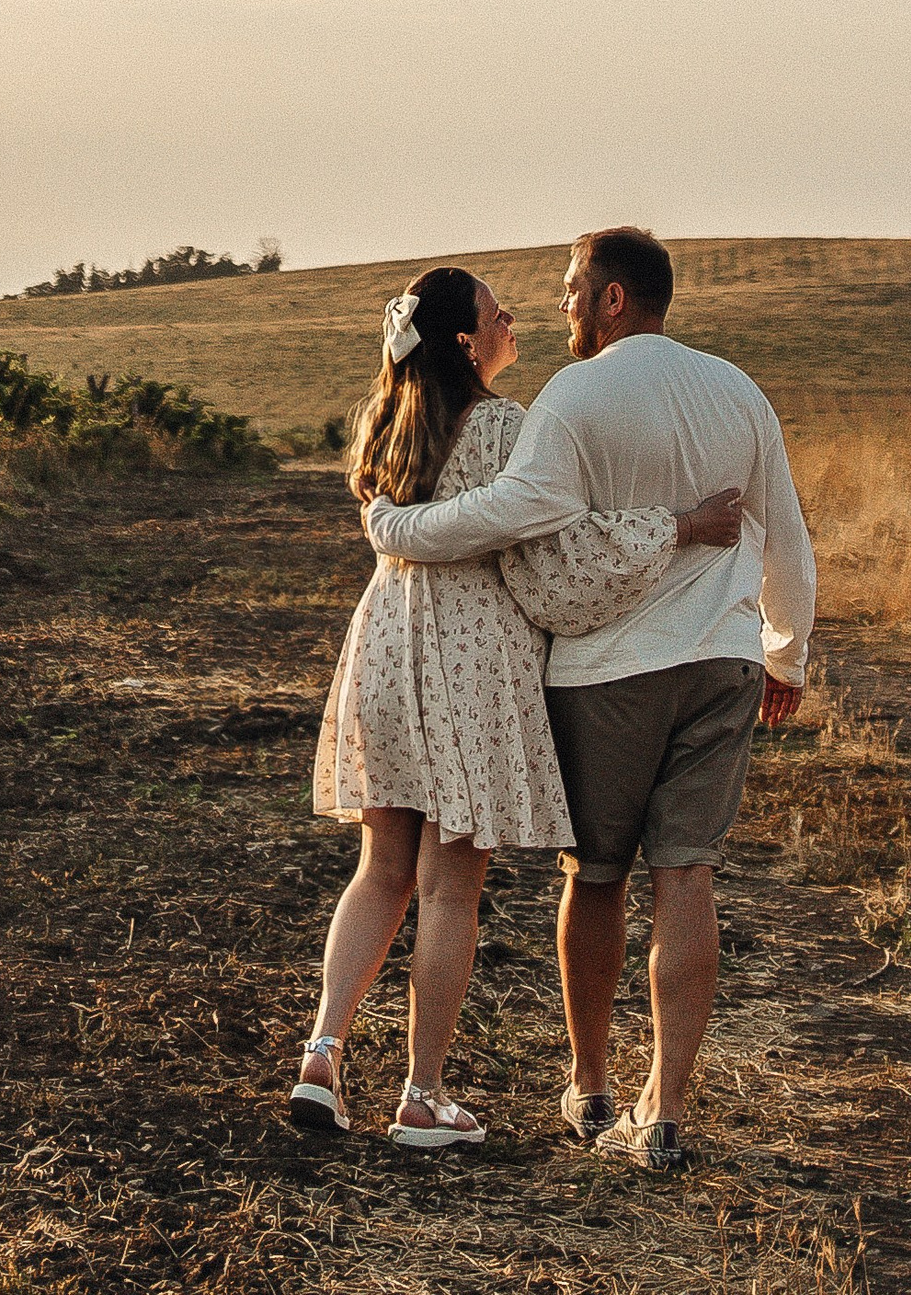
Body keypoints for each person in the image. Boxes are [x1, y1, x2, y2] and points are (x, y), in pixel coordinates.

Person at [363, 228, 817, 1172]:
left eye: (572, 290)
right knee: (687, 875)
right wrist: (786, 653)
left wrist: (400, 527)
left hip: (606, 670)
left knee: (598, 875)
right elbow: (787, 535)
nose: (560, 306)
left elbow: (515, 511)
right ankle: (670, 1110)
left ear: (613, 299)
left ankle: (593, 1084)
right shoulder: (738, 389)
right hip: (722, 662)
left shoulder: (575, 394)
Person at [292, 264, 744, 1151]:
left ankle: (322, 1054)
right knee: (450, 886)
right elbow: (559, 547)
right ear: (468, 342)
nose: (516, 321)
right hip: (471, 660)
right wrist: (678, 526)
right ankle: (421, 1097)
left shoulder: (386, 423)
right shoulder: (507, 428)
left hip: (384, 642)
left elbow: (404, 522)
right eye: (500, 314)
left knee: (380, 867)